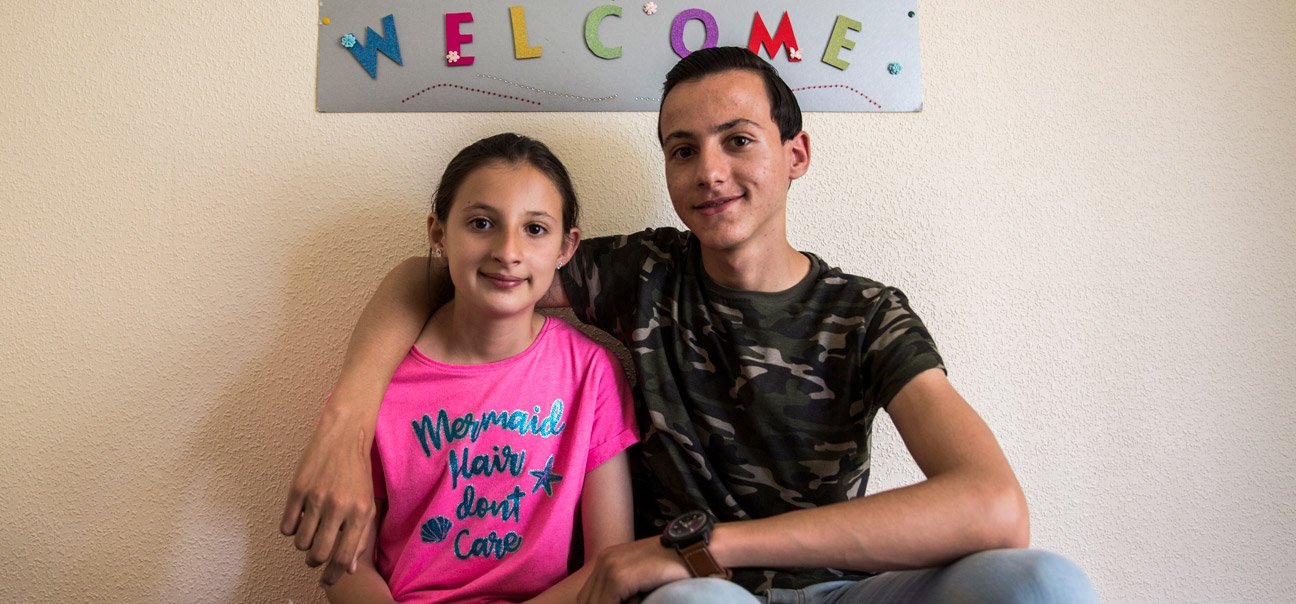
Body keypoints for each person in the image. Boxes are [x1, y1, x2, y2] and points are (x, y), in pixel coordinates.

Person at [286, 48, 1097, 603]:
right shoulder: (643, 275)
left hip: (843, 588)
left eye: (738, 141)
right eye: (681, 149)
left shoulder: (865, 313)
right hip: (695, 595)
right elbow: (432, 277)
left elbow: (993, 507)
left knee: (1040, 582)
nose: (709, 171)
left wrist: (713, 545)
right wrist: (347, 422)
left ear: (796, 154)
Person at [318, 133, 640, 604]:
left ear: (567, 247)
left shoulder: (591, 375)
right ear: (438, 233)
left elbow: (610, 564)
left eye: (535, 229)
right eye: (482, 223)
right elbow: (345, 566)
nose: (507, 251)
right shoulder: (378, 381)